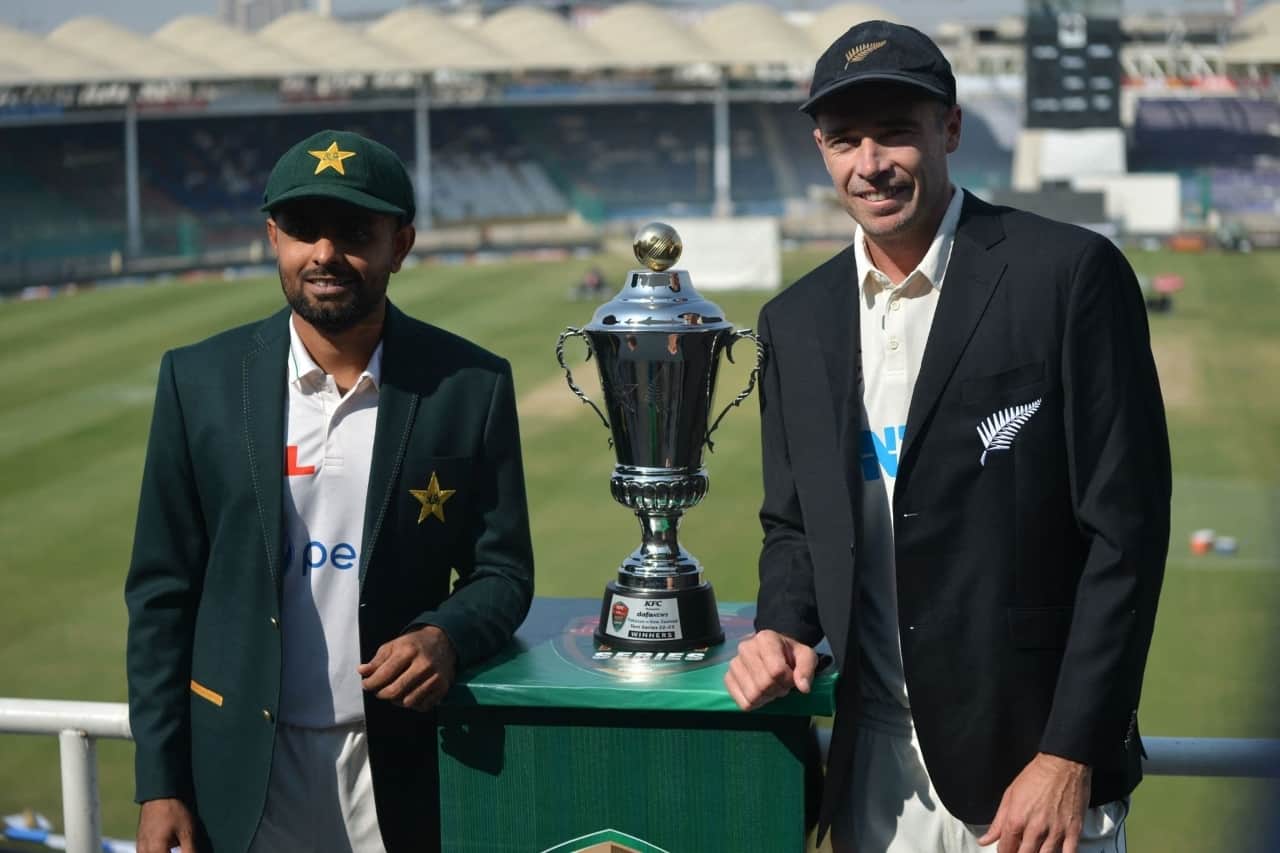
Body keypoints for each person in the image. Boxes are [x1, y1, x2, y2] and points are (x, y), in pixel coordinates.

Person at [724, 21, 1170, 853]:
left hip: (1030, 783)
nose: (871, 162)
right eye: (846, 139)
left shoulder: (1068, 275)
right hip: (872, 775)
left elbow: (1126, 535)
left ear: (950, 130)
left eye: (896, 131)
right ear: (821, 150)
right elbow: (793, 522)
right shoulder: (796, 319)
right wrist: (781, 623)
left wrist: (1069, 752)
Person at [125, 129, 535, 853]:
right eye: (304, 230)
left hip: (403, 767)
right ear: (272, 236)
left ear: (399, 244)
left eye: (354, 231)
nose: (325, 253)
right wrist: (161, 783)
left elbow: (503, 571)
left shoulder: (471, 384)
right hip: (241, 773)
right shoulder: (197, 380)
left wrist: (446, 634)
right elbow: (161, 595)